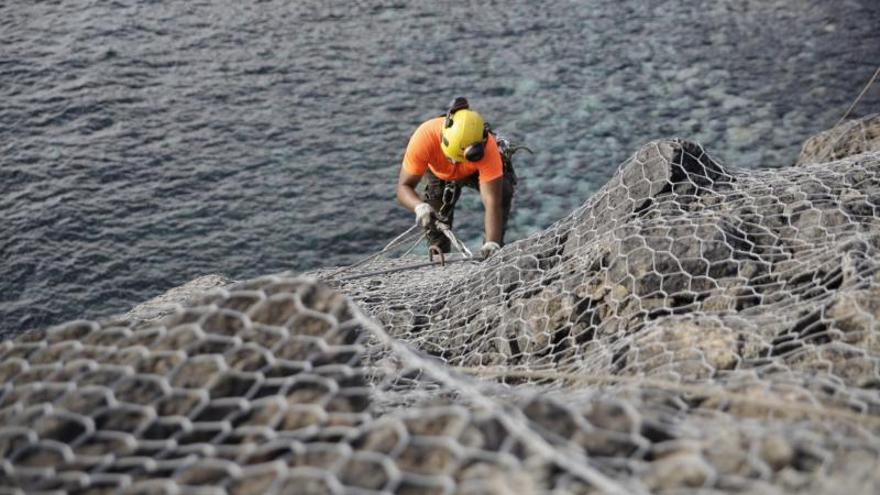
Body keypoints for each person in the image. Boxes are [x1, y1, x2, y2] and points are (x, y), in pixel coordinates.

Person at [396, 97, 517, 260]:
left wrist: (492, 242)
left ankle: (491, 252)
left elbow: (492, 203)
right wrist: (418, 206)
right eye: (449, 158)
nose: (453, 163)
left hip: (475, 170)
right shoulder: (424, 137)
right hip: (438, 175)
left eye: (456, 159)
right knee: (435, 224)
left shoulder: (488, 151)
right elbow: (404, 187)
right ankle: (439, 260)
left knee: (502, 193)